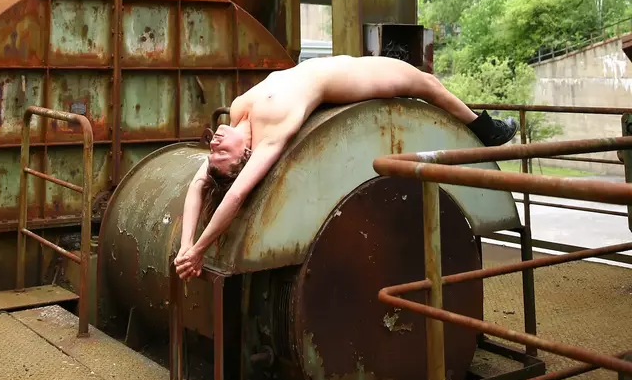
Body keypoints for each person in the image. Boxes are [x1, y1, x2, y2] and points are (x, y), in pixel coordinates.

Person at [174, 54, 517, 280]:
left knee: (422, 80)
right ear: (244, 156)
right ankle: (485, 129)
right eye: (220, 153)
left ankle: (480, 124)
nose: (213, 143)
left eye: (212, 150)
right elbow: (235, 196)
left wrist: (187, 244)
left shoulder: (238, 114)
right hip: (349, 80)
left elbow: (197, 185)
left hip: (331, 65)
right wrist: (200, 252)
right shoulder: (270, 135)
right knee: (426, 83)